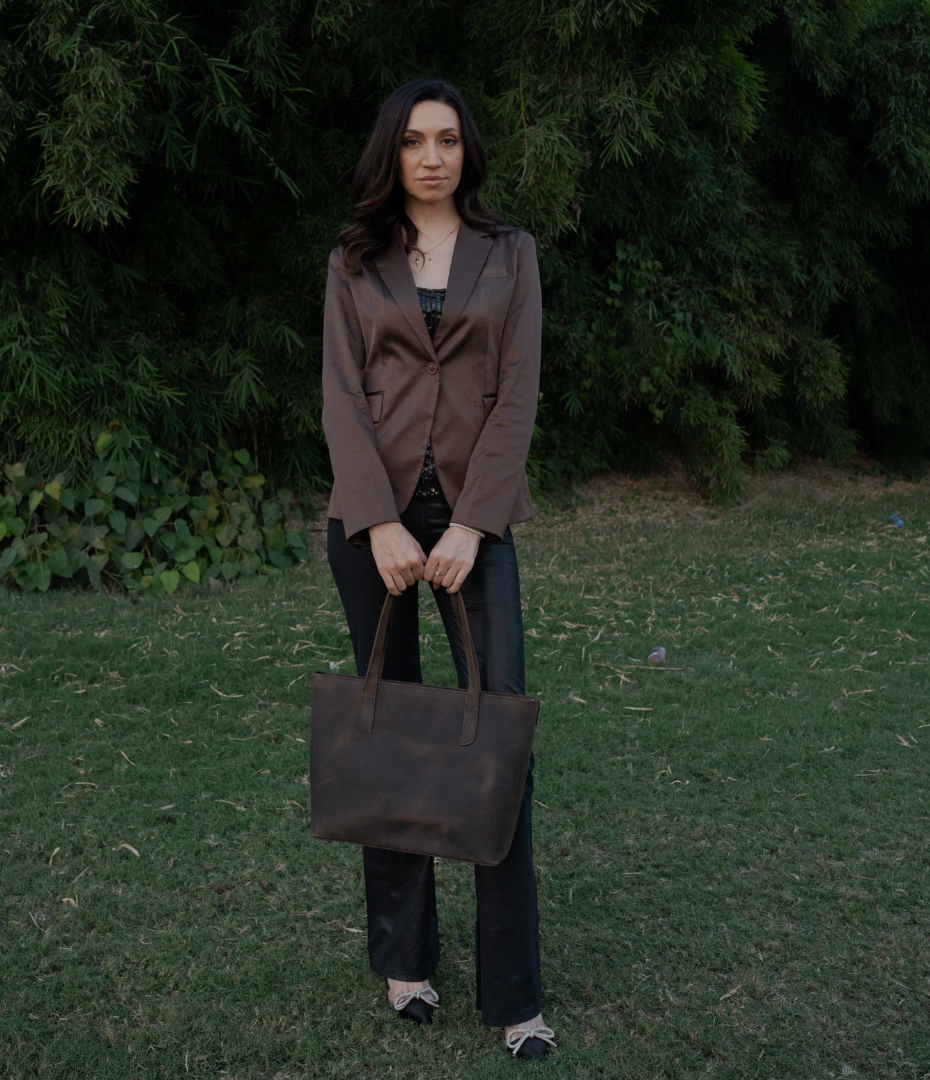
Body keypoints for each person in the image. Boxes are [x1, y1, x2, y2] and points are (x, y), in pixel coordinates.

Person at [320, 77, 552, 1060]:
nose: (431, 157)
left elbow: (517, 395)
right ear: (393, 152)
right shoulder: (352, 261)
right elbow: (340, 396)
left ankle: (516, 996)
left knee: (499, 734)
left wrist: (471, 525)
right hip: (371, 522)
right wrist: (377, 520)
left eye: (448, 140)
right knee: (391, 736)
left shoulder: (511, 254)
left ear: (467, 152)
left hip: (474, 523)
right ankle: (405, 957)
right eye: (414, 141)